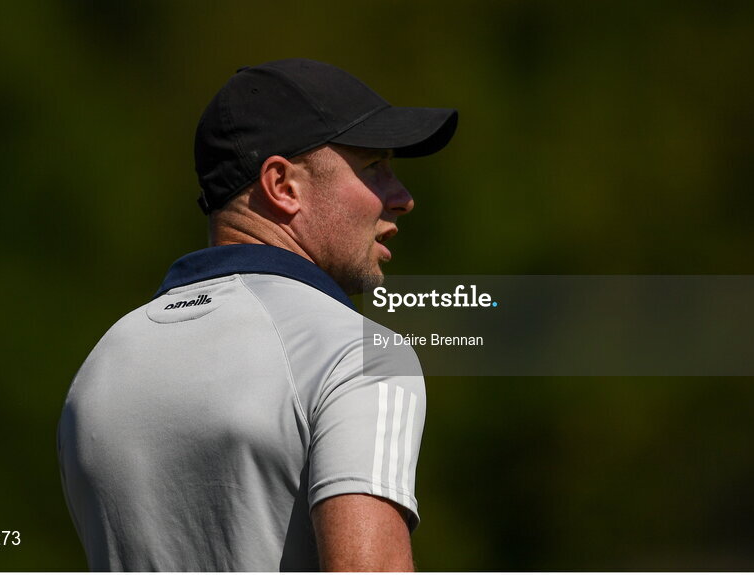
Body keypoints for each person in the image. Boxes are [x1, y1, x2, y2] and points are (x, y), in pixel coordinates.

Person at [57, 58, 457, 571]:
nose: (402, 198)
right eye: (373, 167)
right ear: (282, 185)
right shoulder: (360, 355)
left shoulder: (99, 367)